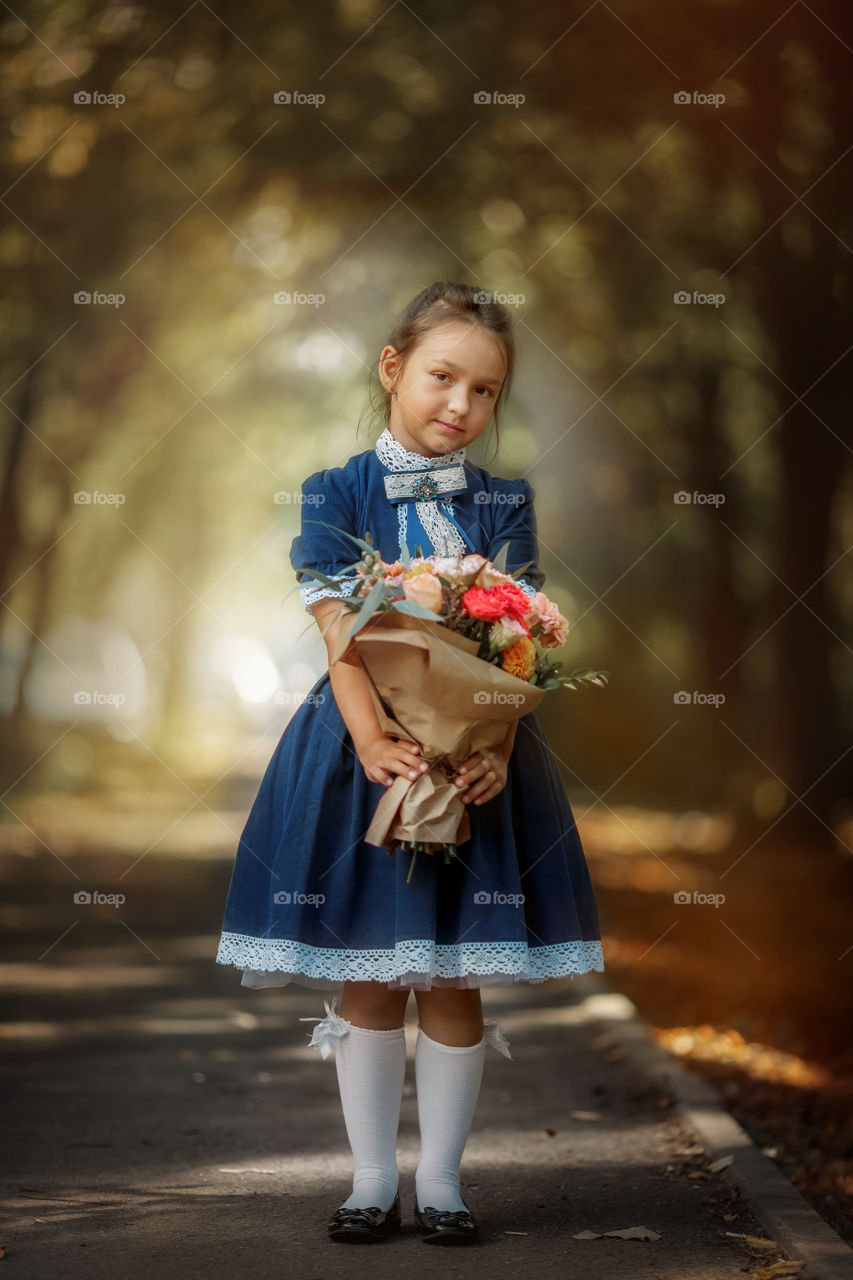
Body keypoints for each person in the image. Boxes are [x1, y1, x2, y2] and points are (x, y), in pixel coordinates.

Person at [216, 281, 604, 1245]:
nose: (460, 406)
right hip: (363, 755)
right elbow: (339, 630)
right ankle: (365, 1180)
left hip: (478, 757)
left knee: (451, 976)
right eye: (442, 378)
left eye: (485, 391)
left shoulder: (503, 502)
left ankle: (441, 1184)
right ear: (393, 369)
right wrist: (370, 740)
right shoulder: (335, 492)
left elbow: (515, 645)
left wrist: (495, 748)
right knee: (371, 969)